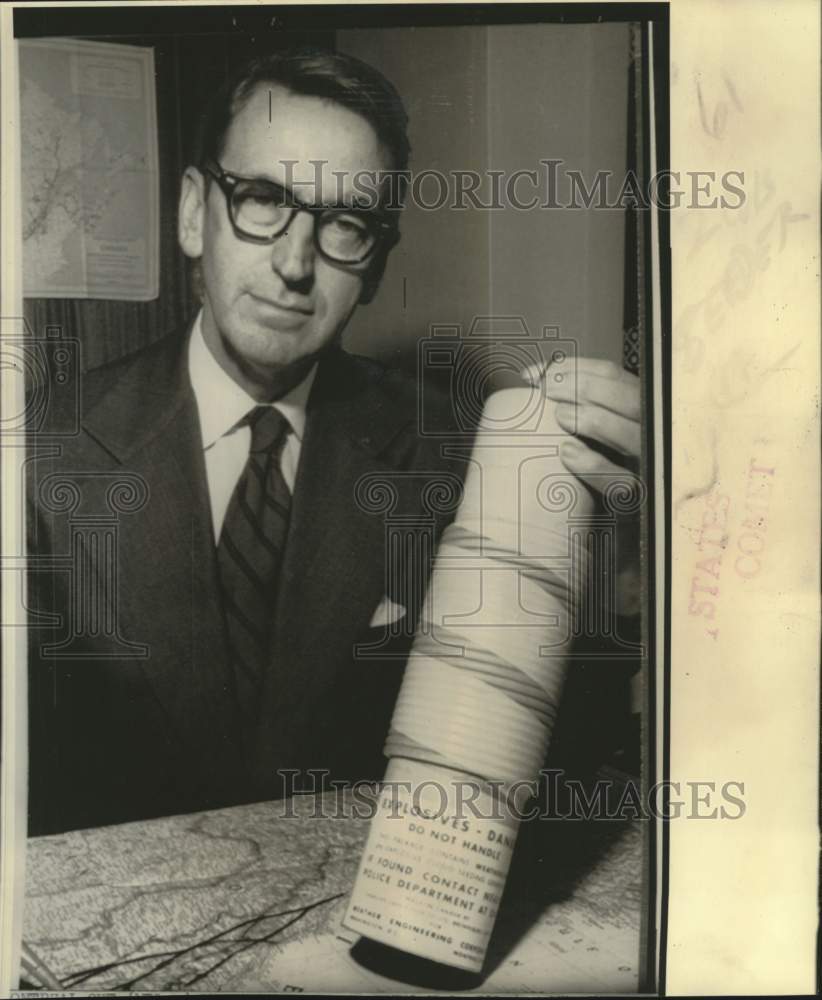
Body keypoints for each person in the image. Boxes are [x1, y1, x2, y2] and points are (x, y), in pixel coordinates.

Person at [26, 47, 641, 836]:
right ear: (191, 213)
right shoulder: (39, 456)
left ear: (376, 264)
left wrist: (625, 552)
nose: (293, 263)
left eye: (345, 224)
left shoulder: (460, 458)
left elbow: (555, 760)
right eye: (260, 199)